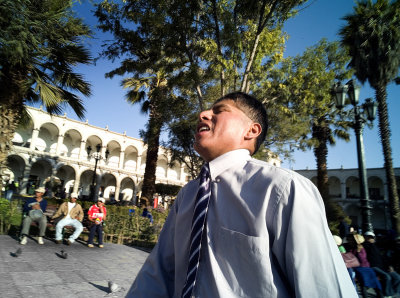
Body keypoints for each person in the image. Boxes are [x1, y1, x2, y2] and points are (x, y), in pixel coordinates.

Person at [127, 92, 357, 297]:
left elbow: (322, 286)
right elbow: (159, 272)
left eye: (220, 111)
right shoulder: (188, 195)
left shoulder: (282, 188)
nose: (203, 114)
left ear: (251, 130)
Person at [363, 231, 400, 296]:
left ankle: (394, 293)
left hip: (383, 267)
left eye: (371, 237)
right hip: (373, 266)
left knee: (397, 277)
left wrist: (389, 266)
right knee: (387, 277)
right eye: (368, 237)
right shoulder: (365, 246)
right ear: (365, 238)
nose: (370, 239)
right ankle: (387, 294)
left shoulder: (377, 246)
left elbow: (383, 258)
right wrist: (370, 244)